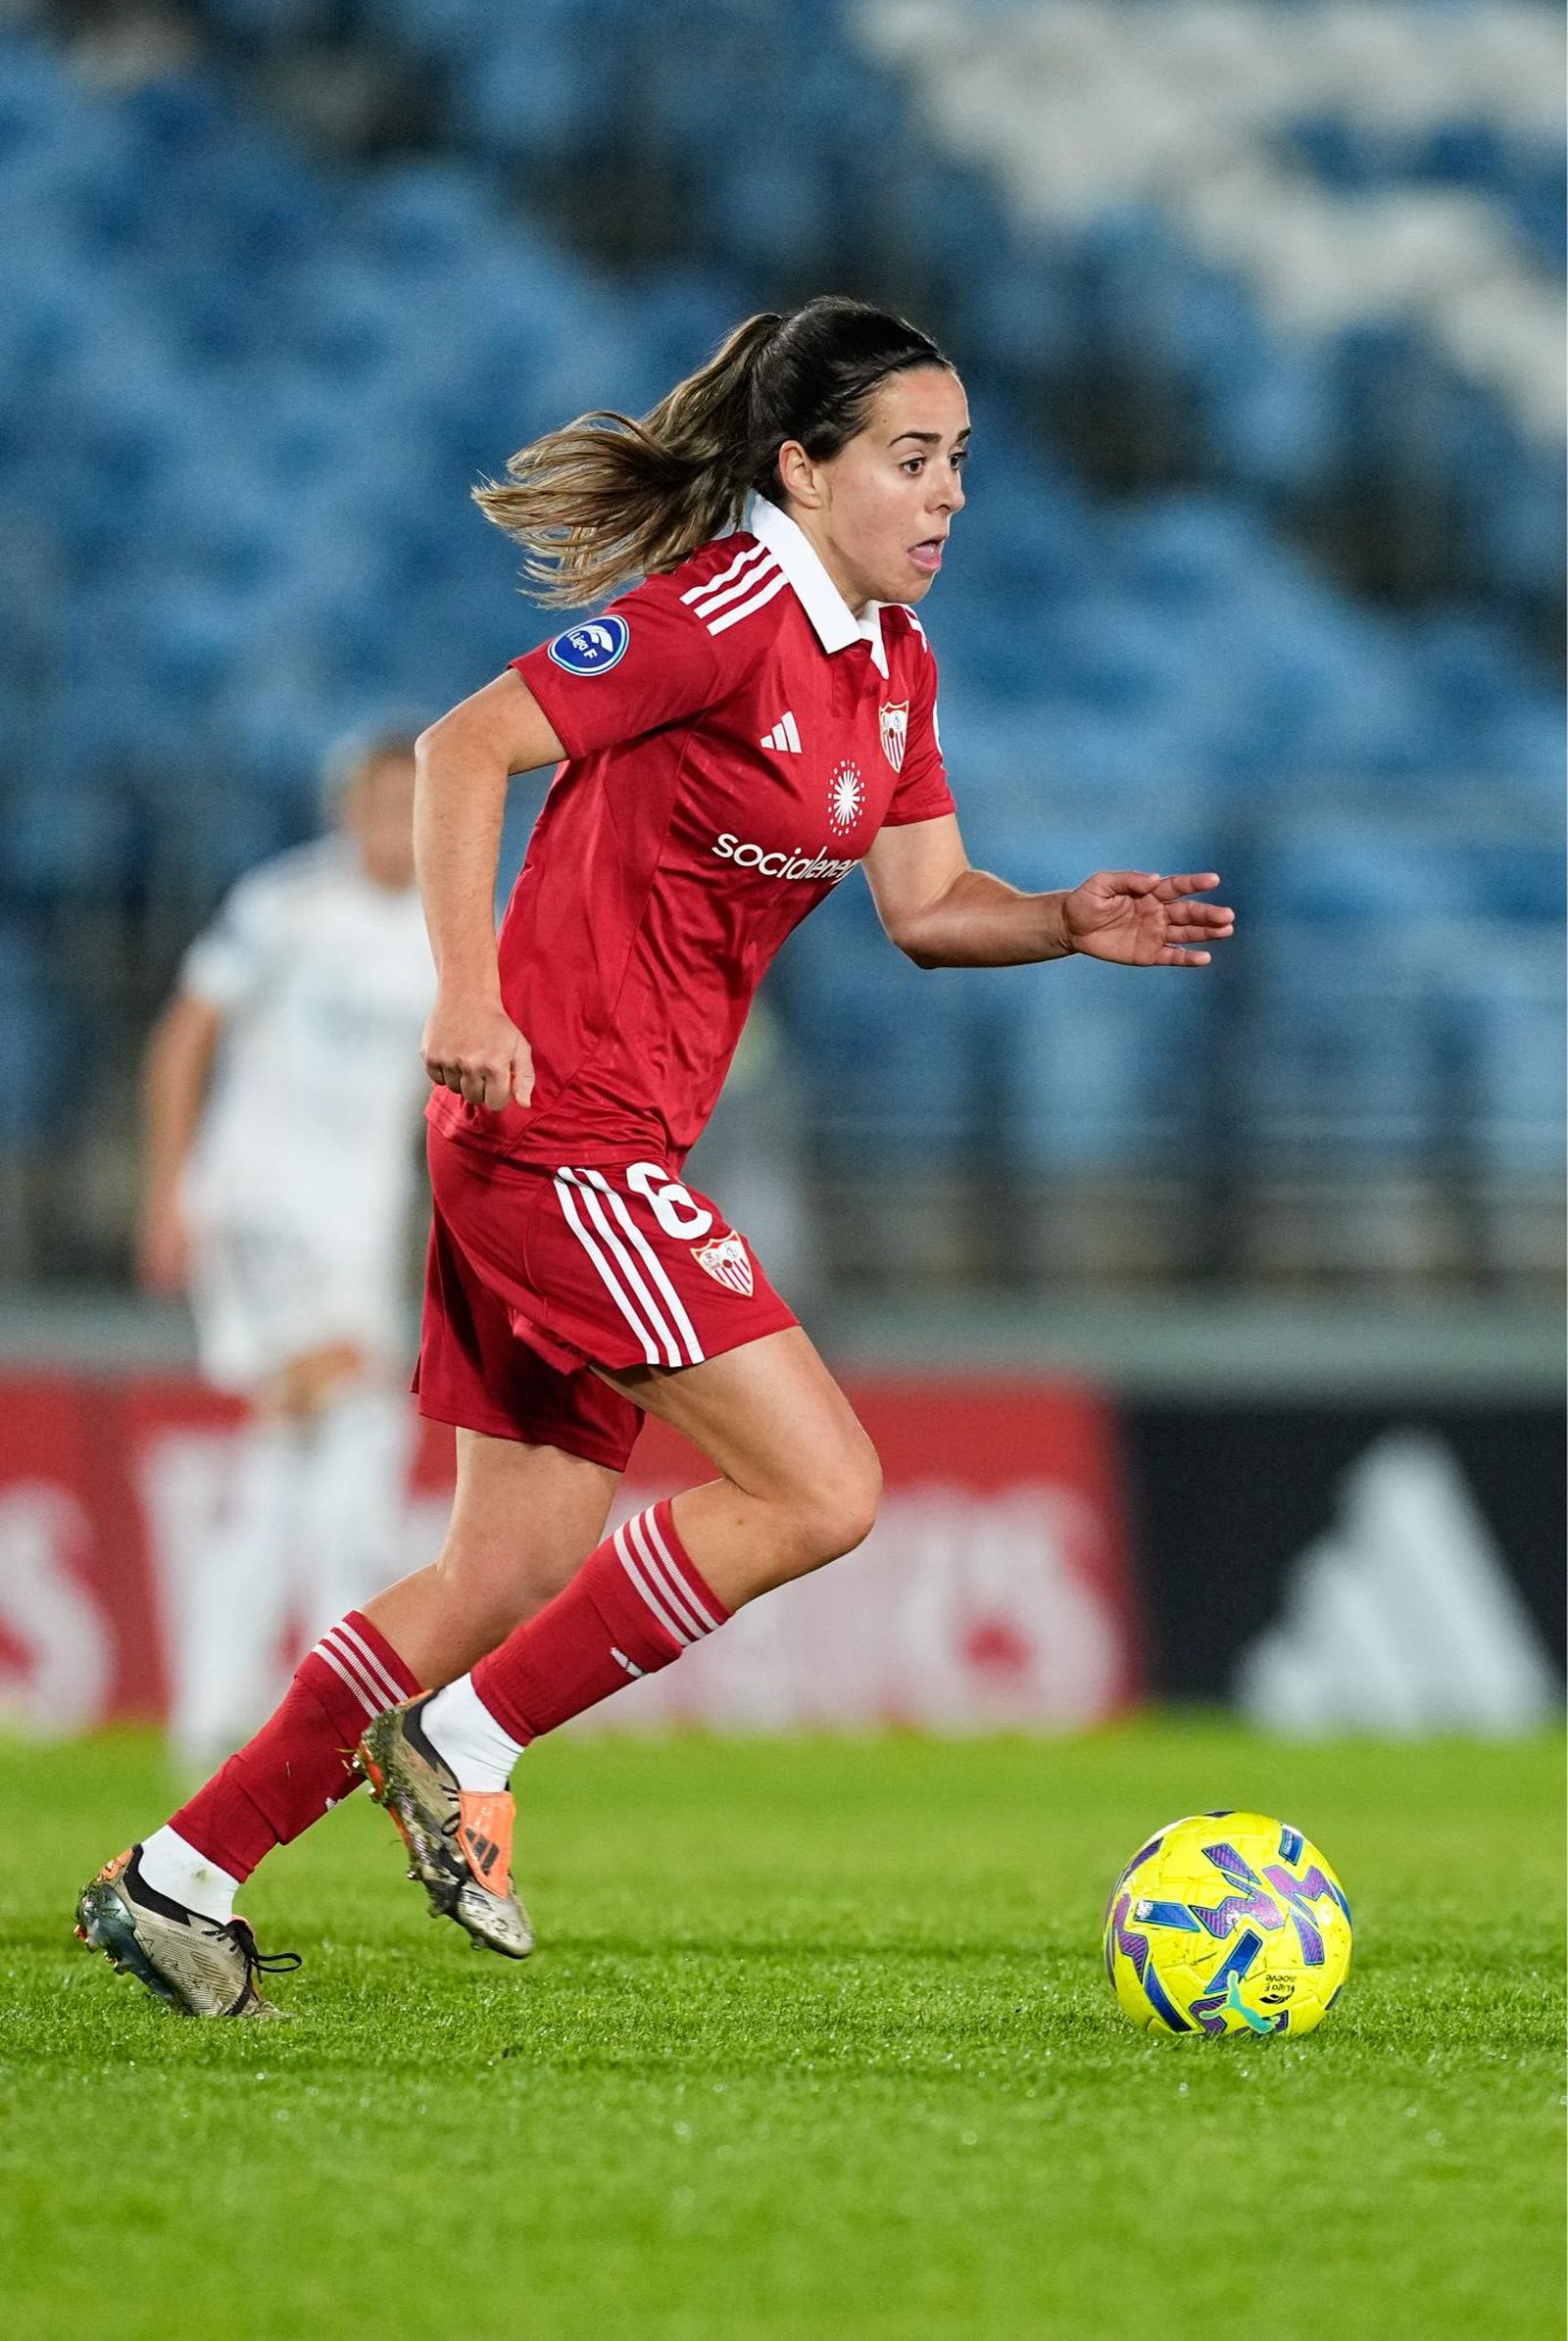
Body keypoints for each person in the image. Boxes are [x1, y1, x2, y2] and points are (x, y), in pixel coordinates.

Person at [76, 298, 1233, 2016]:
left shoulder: (889, 660)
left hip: (597, 1141)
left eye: (960, 463)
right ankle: (457, 1739)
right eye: (912, 460)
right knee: (824, 1487)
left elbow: (925, 905)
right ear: (802, 465)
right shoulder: (724, 610)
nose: (948, 496)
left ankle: (176, 1876)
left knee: (510, 1567)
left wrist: (1062, 917)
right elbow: (470, 744)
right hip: (557, 1132)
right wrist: (464, 988)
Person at [136, 729, 433, 1772]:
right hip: (261, 1204)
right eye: (379, 802)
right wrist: (168, 1185)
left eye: (414, 803)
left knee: (306, 1453)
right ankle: (327, 1704)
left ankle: (226, 1707)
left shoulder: (448, 932)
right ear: (347, 809)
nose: (394, 824)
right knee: (348, 1405)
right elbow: (185, 1035)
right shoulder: (284, 904)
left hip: (359, 1223)